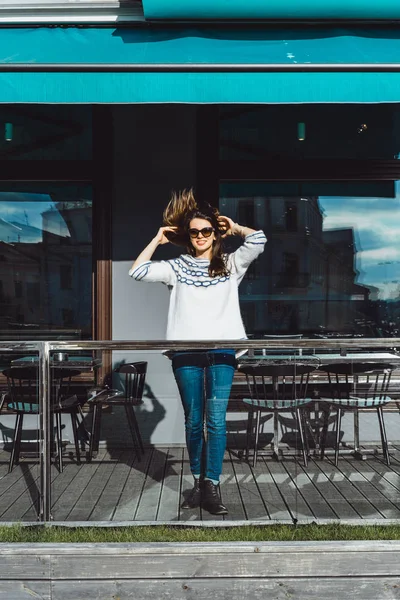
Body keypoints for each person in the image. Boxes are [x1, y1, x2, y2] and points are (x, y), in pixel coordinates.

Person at [129, 189, 266, 515]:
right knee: (194, 421)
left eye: (207, 230)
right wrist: (159, 238)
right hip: (186, 354)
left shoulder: (230, 264)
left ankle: (211, 485)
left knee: (216, 421)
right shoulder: (176, 267)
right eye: (195, 232)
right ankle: (197, 481)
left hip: (222, 354)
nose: (202, 236)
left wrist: (233, 227)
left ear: (214, 233)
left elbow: (258, 240)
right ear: (188, 237)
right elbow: (137, 271)